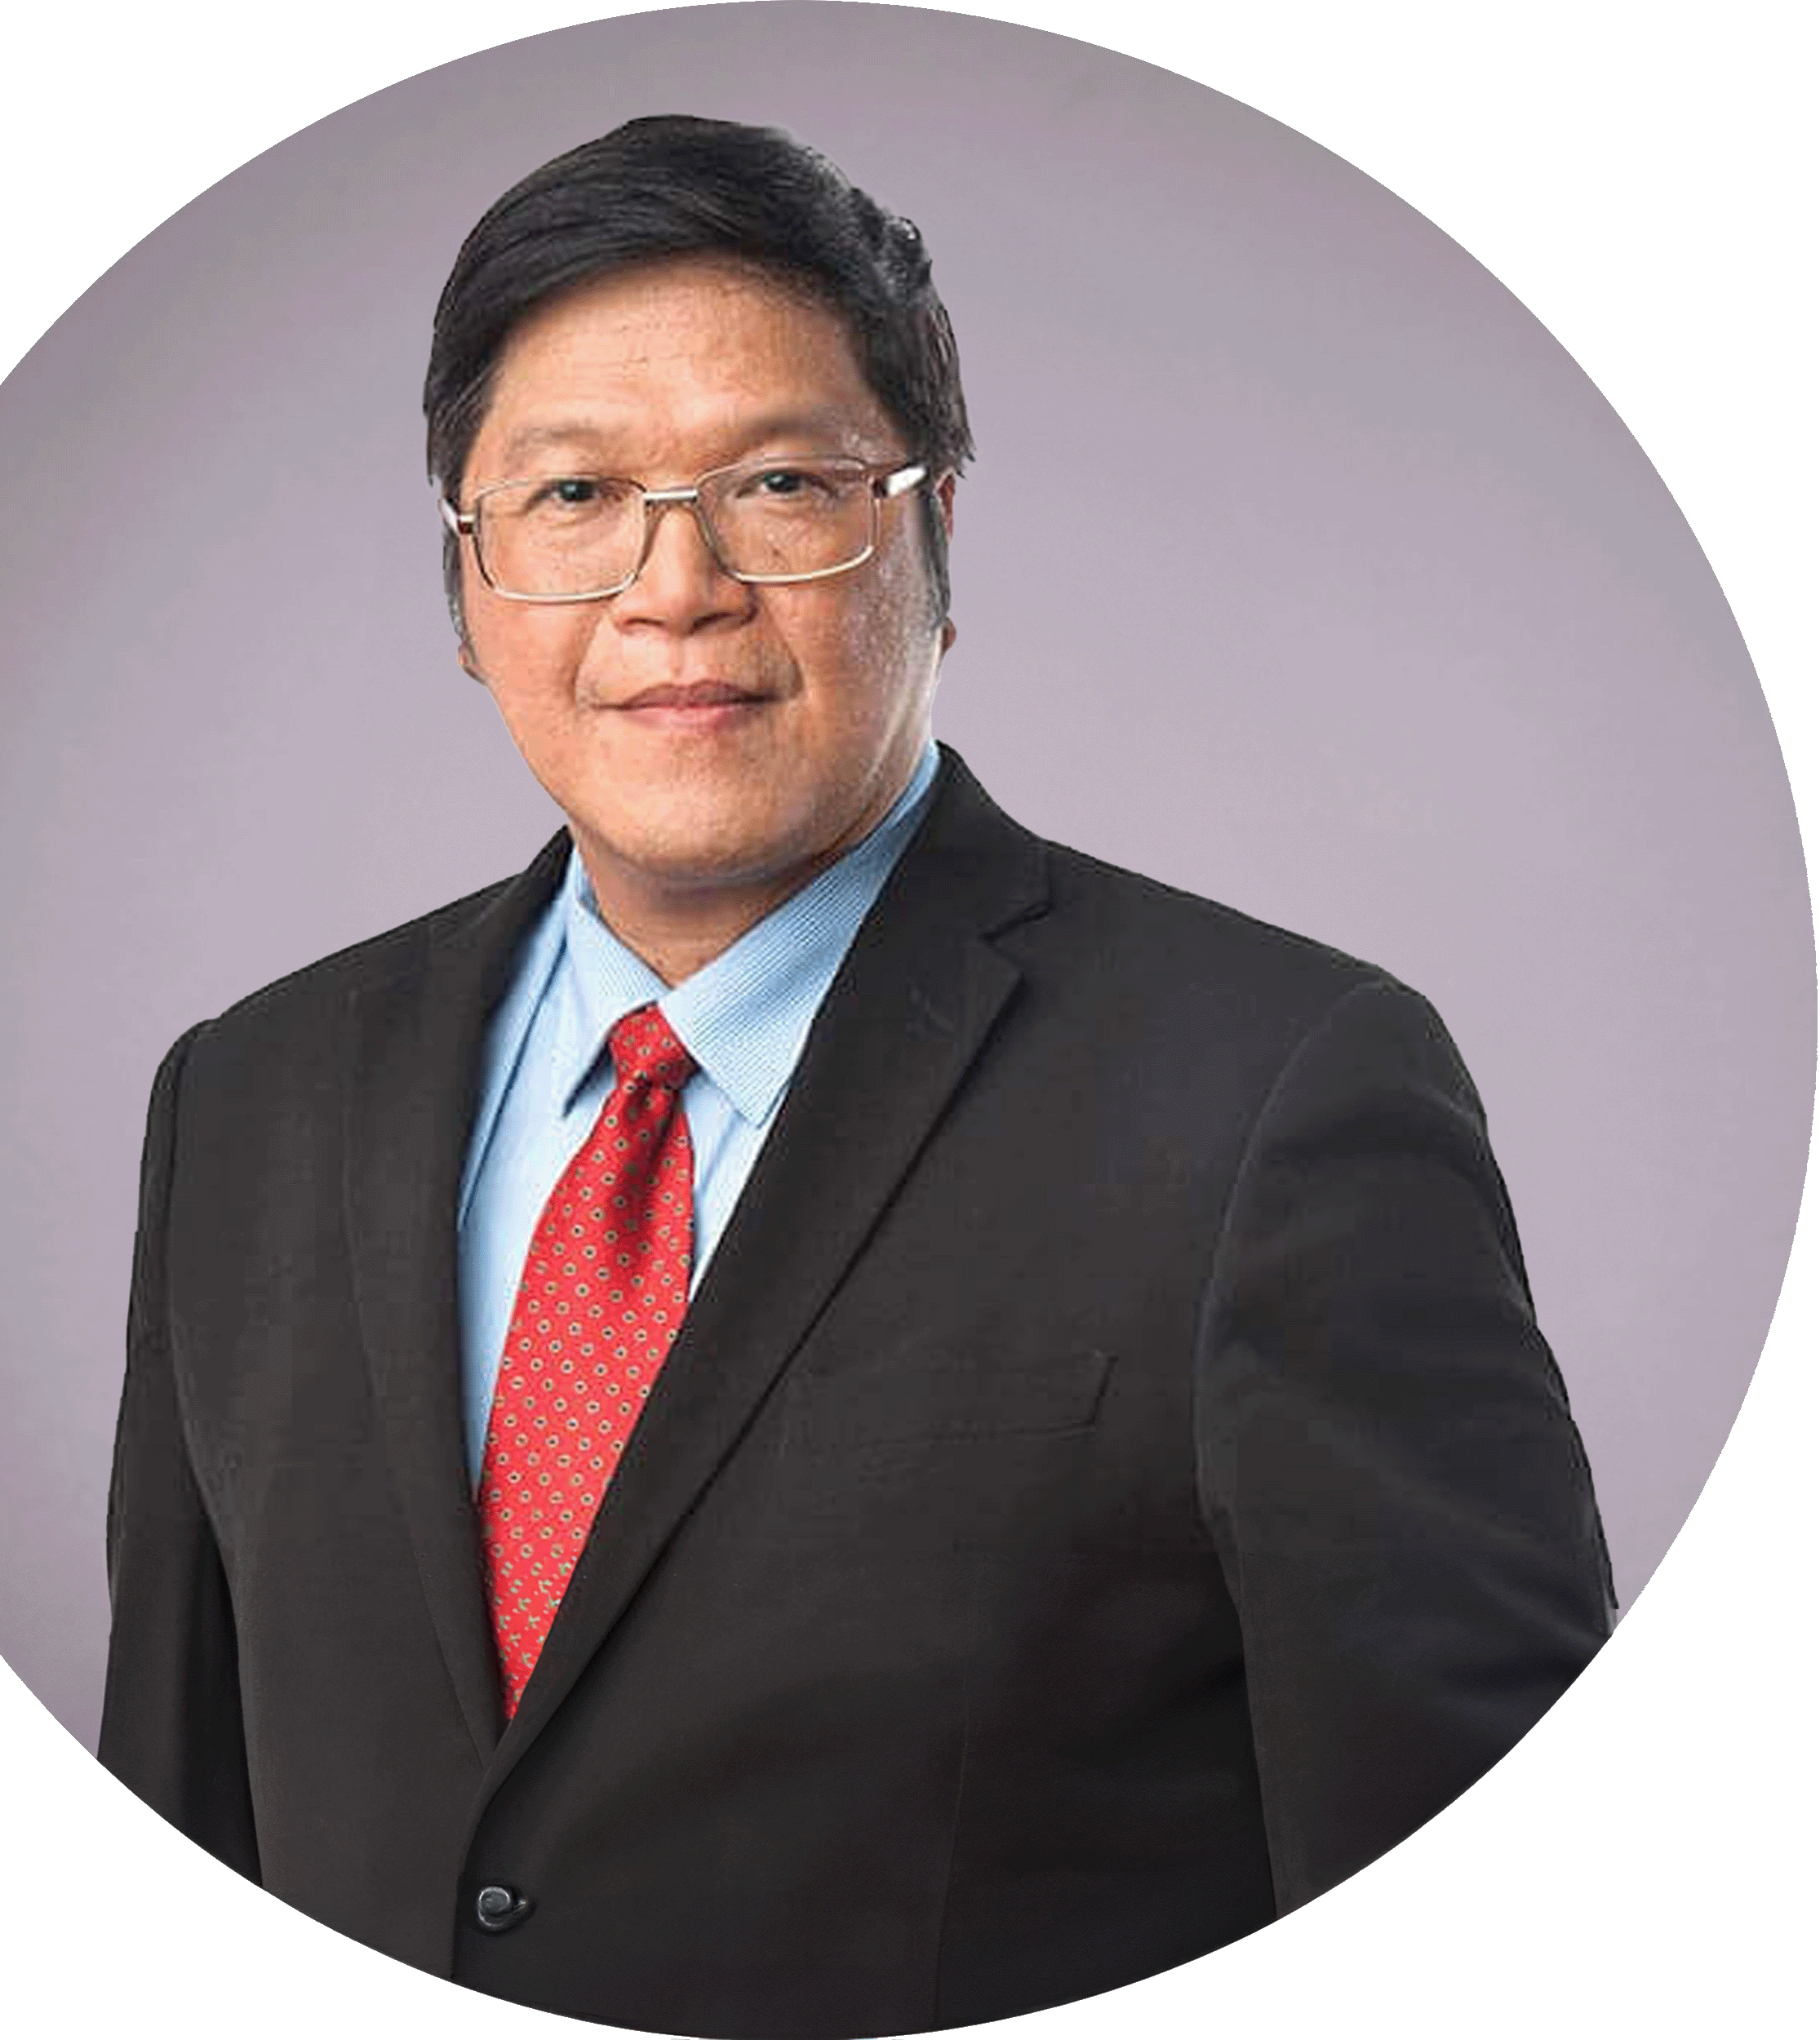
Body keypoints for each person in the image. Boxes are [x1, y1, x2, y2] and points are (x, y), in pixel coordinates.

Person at [98, 114, 1614, 2037]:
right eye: (573, 494)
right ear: (467, 584)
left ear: (934, 535)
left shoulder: (1272, 1099)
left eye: (781, 483)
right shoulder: (249, 1100)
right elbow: (174, 1840)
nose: (674, 586)